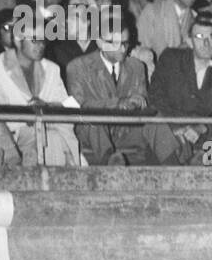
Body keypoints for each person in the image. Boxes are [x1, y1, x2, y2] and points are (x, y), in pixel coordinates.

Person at [0, 18, 84, 166]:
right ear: (17, 40)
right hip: (10, 137)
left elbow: (64, 105)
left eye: (43, 41)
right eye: (34, 40)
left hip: (44, 131)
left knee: (53, 137)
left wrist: (46, 106)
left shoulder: (52, 69)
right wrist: (28, 114)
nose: (40, 46)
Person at [145, 11, 212, 165]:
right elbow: (155, 97)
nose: (206, 43)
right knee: (155, 125)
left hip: (204, 139)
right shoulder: (170, 59)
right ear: (189, 41)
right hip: (170, 132)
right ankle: (176, 177)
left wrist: (201, 127)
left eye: (211, 37)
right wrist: (178, 127)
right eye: (200, 37)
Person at [65, 20, 152, 165]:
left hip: (125, 130)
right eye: (117, 44)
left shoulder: (137, 66)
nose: (123, 50)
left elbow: (142, 103)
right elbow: (81, 105)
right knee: (92, 117)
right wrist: (119, 103)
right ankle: (111, 162)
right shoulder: (77, 67)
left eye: (126, 43)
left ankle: (179, 167)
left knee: (157, 121)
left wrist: (139, 101)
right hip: (93, 131)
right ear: (100, 43)